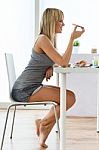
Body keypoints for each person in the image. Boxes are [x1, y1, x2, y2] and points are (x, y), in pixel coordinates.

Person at [11, 8, 85, 148]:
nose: (63, 24)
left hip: (30, 87)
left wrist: (50, 66)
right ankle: (43, 123)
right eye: (60, 21)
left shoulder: (48, 40)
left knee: (68, 97)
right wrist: (71, 38)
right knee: (69, 98)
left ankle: (42, 131)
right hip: (24, 90)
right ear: (52, 22)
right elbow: (63, 62)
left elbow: (57, 60)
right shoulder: (43, 39)